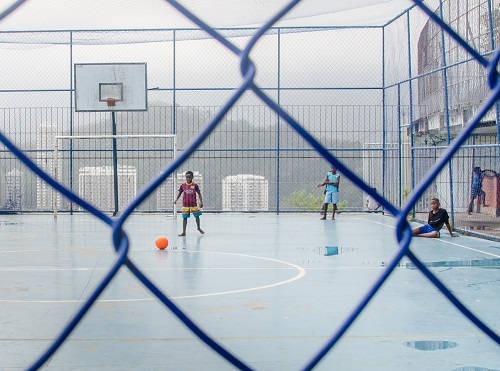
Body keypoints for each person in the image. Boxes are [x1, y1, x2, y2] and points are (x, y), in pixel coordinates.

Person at [174, 170, 204, 236]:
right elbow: (180, 193)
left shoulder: (195, 185)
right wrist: (176, 199)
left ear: (192, 177)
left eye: (189, 177)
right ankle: (184, 232)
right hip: (185, 204)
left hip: (194, 204)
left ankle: (198, 228)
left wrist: (201, 202)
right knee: (185, 218)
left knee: (197, 216)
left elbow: (199, 193)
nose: (188, 179)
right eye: (187, 177)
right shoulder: (183, 185)